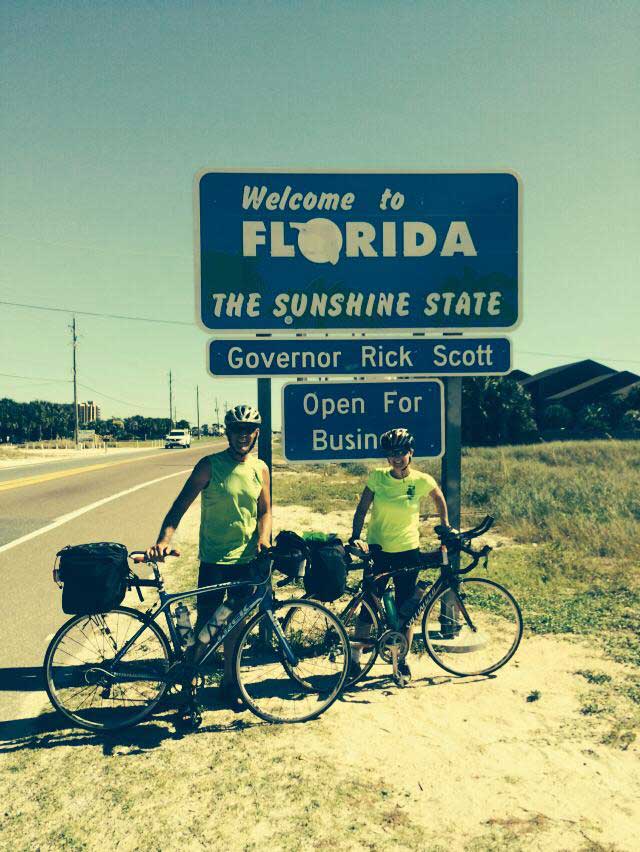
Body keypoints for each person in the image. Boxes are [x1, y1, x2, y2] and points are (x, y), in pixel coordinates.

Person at [147, 403, 271, 713]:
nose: (243, 435)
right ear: (228, 432)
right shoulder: (209, 465)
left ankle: (230, 684)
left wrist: (264, 538)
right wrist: (164, 539)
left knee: (236, 626)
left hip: (246, 561)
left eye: (248, 430)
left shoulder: (260, 468)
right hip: (215, 560)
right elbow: (180, 505)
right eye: (237, 429)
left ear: (256, 433)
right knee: (207, 628)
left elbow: (265, 510)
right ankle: (189, 686)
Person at [350, 427, 450, 681]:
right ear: (387, 456)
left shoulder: (421, 479)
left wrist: (445, 528)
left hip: (408, 550)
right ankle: (354, 660)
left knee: (407, 610)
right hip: (378, 550)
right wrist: (355, 537)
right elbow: (362, 509)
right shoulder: (377, 477)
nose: (397, 457)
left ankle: (401, 661)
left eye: (402, 452)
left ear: (410, 453)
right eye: (392, 453)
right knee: (369, 605)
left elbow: (439, 498)